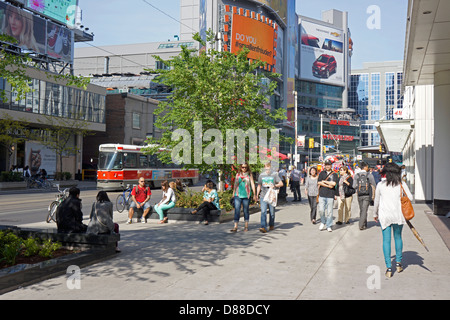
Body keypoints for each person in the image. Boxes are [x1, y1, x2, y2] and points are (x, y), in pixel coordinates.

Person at [373, 163, 413, 278]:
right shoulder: (402, 184)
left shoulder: (381, 185)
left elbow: (376, 202)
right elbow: (410, 198)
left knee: (386, 240)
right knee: (398, 237)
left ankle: (389, 268)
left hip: (385, 216)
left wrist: (375, 214)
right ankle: (399, 264)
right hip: (398, 215)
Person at [256, 162, 283, 233]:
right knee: (263, 211)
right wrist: (256, 195)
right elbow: (259, 185)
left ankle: (271, 224)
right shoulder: (261, 175)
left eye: (269, 167)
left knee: (272, 212)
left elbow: (281, 183)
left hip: (271, 196)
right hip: (263, 195)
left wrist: (275, 186)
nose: (267, 169)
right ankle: (263, 227)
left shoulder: (274, 175)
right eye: (266, 167)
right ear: (264, 167)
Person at [231, 163, 257, 232]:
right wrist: (233, 193)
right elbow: (235, 184)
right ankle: (235, 226)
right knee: (237, 210)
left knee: (246, 210)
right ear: (240, 167)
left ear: (247, 167)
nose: (244, 169)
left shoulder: (249, 175)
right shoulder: (238, 174)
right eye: (243, 167)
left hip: (246, 195)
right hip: (238, 194)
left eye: (245, 167)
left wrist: (255, 194)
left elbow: (252, 184)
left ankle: (246, 226)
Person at [353, 162, 376, 230]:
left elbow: (354, 186)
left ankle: (364, 224)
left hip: (359, 195)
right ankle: (361, 225)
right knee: (364, 210)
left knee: (362, 210)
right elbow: (374, 184)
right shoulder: (369, 175)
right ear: (365, 167)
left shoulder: (356, 175)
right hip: (367, 195)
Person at [317, 160, 338, 232]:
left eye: (328, 165)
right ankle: (323, 221)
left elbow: (334, 183)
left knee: (330, 212)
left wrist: (324, 181)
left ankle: (329, 225)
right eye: (326, 165)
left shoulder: (334, 174)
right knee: (321, 210)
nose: (327, 166)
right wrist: (328, 184)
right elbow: (319, 182)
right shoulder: (322, 173)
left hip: (330, 195)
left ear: (331, 165)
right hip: (322, 194)